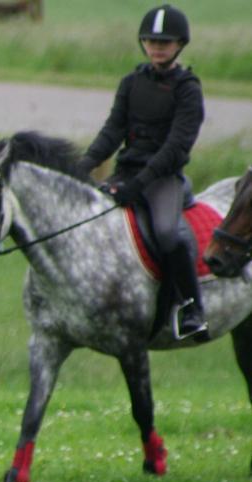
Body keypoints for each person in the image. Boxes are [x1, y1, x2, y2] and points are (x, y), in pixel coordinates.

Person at [78, 4, 206, 340]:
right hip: (126, 172)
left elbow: (176, 147)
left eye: (165, 42)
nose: (157, 47)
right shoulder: (131, 82)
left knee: (167, 233)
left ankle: (192, 307)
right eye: (150, 41)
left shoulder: (188, 89)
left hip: (163, 179)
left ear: (180, 44)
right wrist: (83, 165)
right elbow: (112, 131)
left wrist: (140, 184)